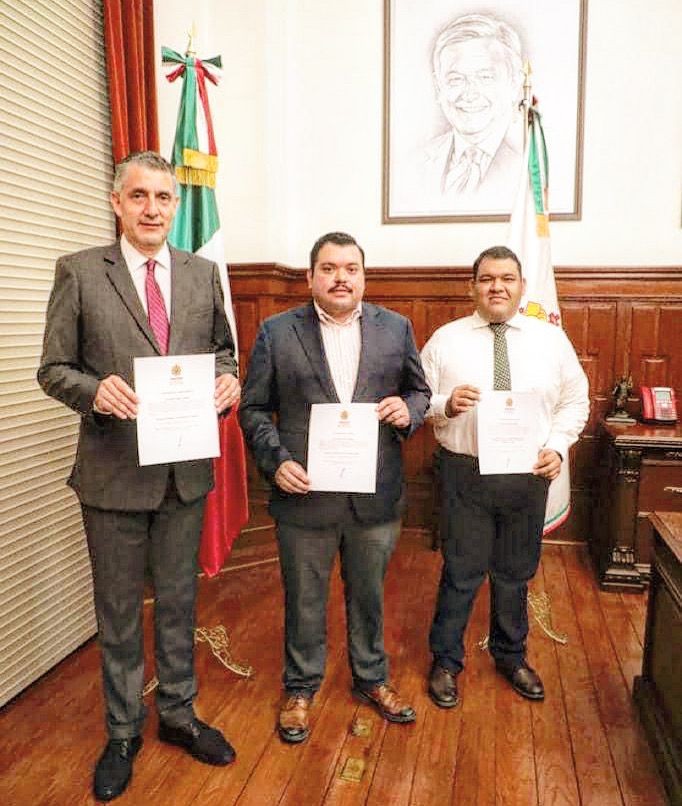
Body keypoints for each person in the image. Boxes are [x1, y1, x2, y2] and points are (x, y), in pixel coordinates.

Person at [38, 151, 240, 802]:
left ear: (176, 207)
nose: (153, 208)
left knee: (179, 602)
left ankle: (178, 713)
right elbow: (53, 369)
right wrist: (95, 392)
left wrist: (228, 383)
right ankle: (123, 731)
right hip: (113, 474)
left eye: (163, 197)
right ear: (117, 203)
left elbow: (224, 353)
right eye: (139, 196)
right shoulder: (79, 271)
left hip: (183, 471)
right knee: (120, 611)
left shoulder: (203, 273)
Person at [239, 231, 431, 743]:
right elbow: (253, 409)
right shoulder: (277, 332)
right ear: (310, 278)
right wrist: (276, 461)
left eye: (350, 268)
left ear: (364, 277)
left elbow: (419, 391)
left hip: (375, 492)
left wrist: (408, 410)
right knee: (304, 598)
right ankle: (300, 687)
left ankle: (372, 677)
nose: (340, 278)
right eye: (328, 268)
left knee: (369, 594)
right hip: (303, 493)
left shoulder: (396, 328)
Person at [420, 245, 588, 708]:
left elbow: (576, 400)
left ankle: (511, 656)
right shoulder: (445, 340)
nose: (497, 287)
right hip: (464, 472)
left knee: (515, 571)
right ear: (472, 287)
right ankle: (446, 661)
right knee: (461, 570)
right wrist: (445, 404)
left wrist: (557, 445)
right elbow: (417, 400)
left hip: (526, 473)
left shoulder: (551, 341)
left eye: (507, 278)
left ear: (521, 287)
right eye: (487, 278)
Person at [420, 14, 525, 212]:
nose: (469, 94)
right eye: (456, 79)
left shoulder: (532, 164)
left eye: (485, 77)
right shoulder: (414, 162)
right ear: (438, 87)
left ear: (514, 83)